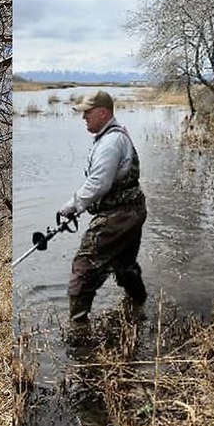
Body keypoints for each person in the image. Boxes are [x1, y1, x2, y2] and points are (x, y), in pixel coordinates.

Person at [58, 90, 148, 323]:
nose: (83, 117)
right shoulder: (113, 137)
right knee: (124, 265)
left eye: (87, 112)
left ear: (103, 113)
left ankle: (78, 333)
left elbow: (98, 183)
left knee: (83, 268)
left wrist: (71, 207)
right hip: (132, 211)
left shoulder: (111, 142)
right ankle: (139, 308)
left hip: (119, 215)